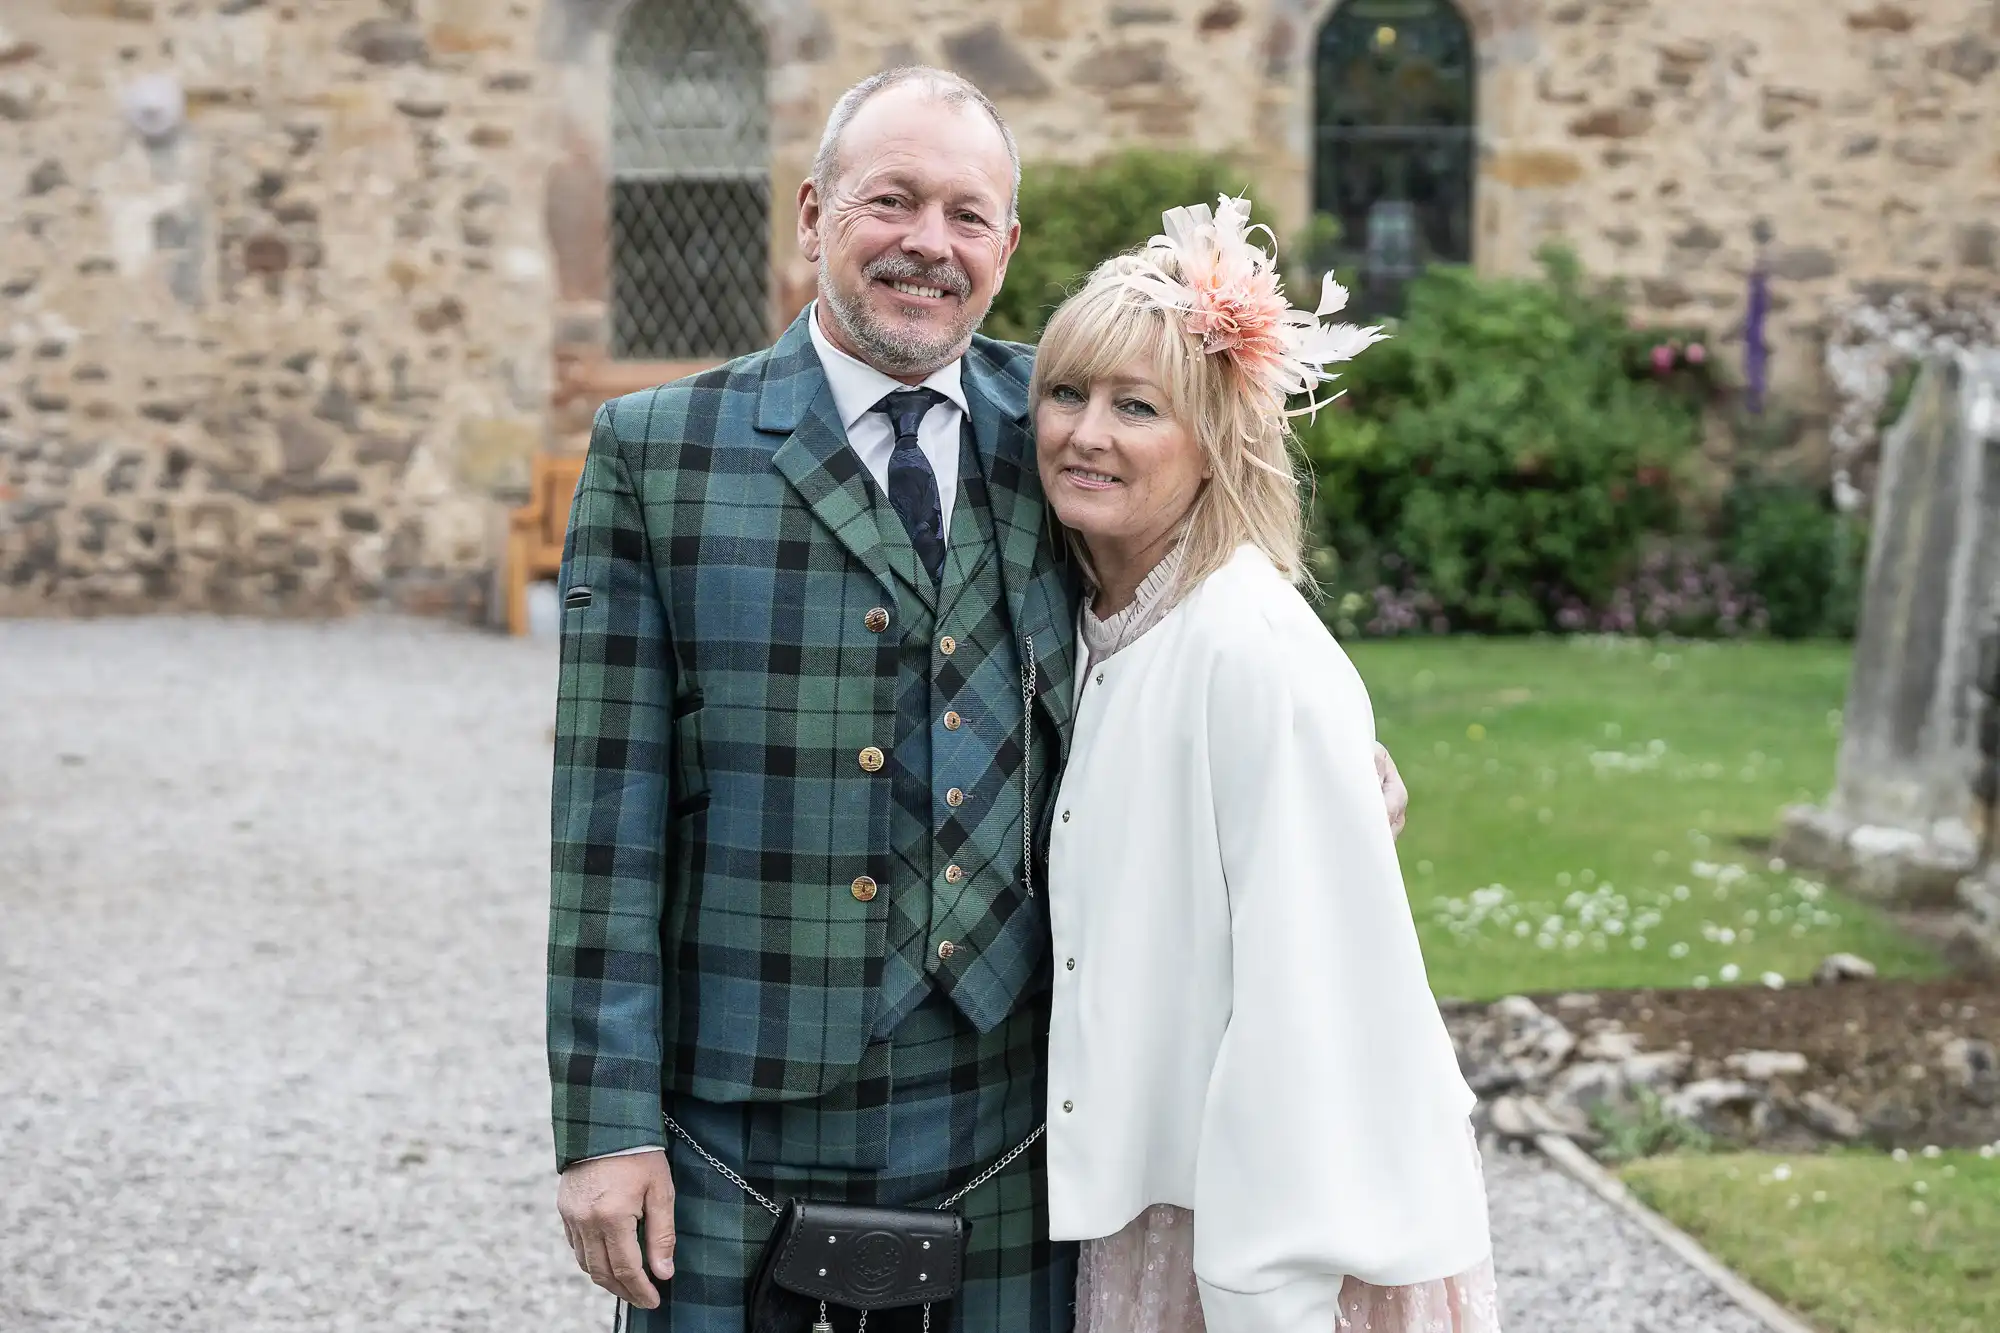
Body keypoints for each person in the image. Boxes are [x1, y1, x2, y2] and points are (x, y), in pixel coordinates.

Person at [547, 67, 1411, 1333]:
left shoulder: (1061, 422)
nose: (925, 245)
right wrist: (604, 1123)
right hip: (732, 1109)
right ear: (810, 215)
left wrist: (1328, 740)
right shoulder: (657, 452)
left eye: (965, 216)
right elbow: (602, 819)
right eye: (888, 200)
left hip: (1012, 1100)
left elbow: (1202, 586)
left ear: (1005, 247)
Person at [1030, 200, 1500, 1333]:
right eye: (1065, 394)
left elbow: (1313, 996)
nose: (1087, 432)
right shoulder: (1093, 617)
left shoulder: (1247, 644)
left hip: (1256, 1235)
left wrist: (1267, 1289)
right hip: (1148, 1207)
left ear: (1212, 440)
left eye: (1135, 407)